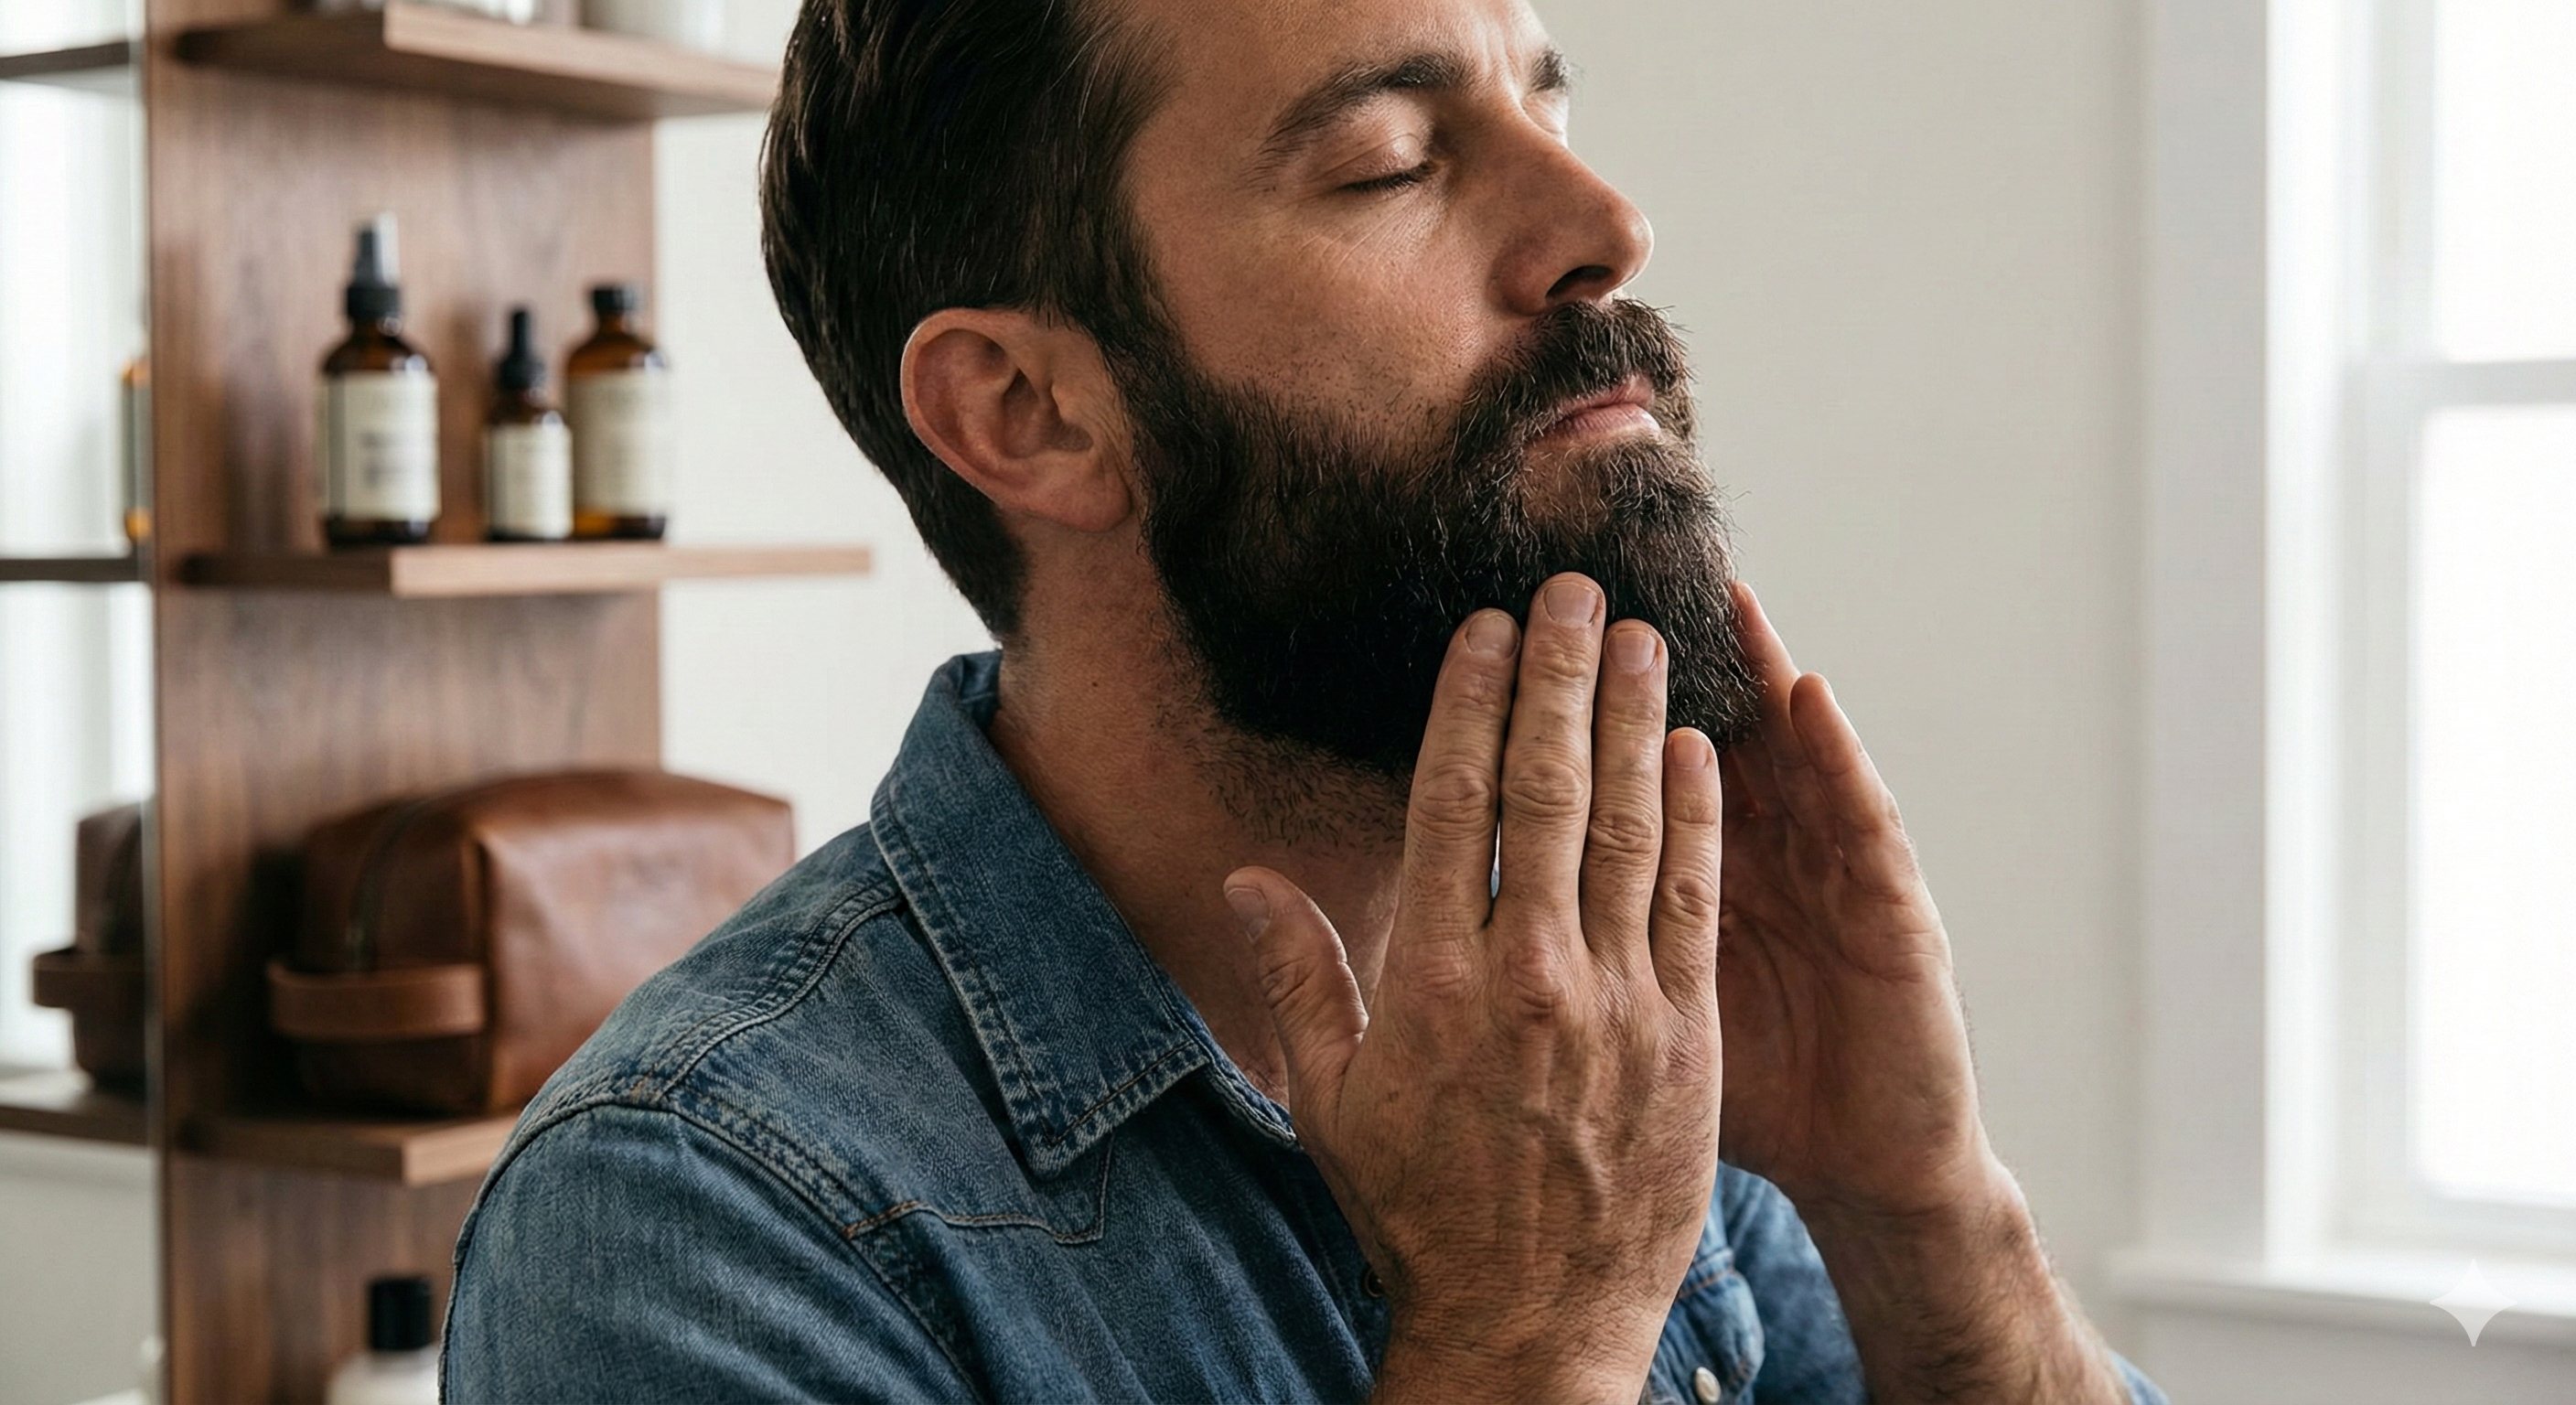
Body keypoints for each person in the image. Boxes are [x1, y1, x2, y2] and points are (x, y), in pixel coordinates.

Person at [445, 0, 2167, 1399]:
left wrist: (1921, 1216)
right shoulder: (691, 1223)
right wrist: (1526, 1337)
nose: (1607, 228)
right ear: (1031, 414)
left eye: (1544, 109)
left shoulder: (1607, 1029)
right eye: (1391, 163)